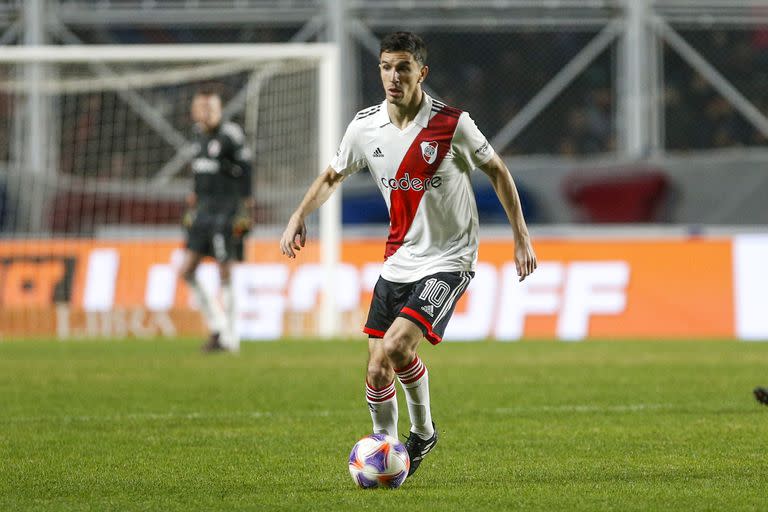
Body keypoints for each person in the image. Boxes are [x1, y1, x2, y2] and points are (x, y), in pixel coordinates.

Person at [279, 32, 536, 477]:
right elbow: (331, 174)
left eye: (402, 67)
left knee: (398, 346)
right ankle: (385, 448)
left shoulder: (452, 123)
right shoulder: (365, 127)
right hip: (399, 258)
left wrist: (521, 238)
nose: (393, 77)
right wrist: (298, 215)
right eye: (385, 67)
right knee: (377, 369)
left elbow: (497, 170)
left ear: (422, 72)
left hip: (451, 259)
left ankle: (423, 433)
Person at [180, 86, 254, 353]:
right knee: (186, 270)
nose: (206, 113)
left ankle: (230, 337)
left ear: (220, 109)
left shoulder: (231, 136)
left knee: (225, 270)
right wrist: (193, 199)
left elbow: (246, 171)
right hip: (202, 213)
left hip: (226, 212)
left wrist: (246, 209)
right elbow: (200, 174)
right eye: (201, 107)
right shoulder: (197, 136)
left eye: (211, 107)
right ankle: (219, 326)